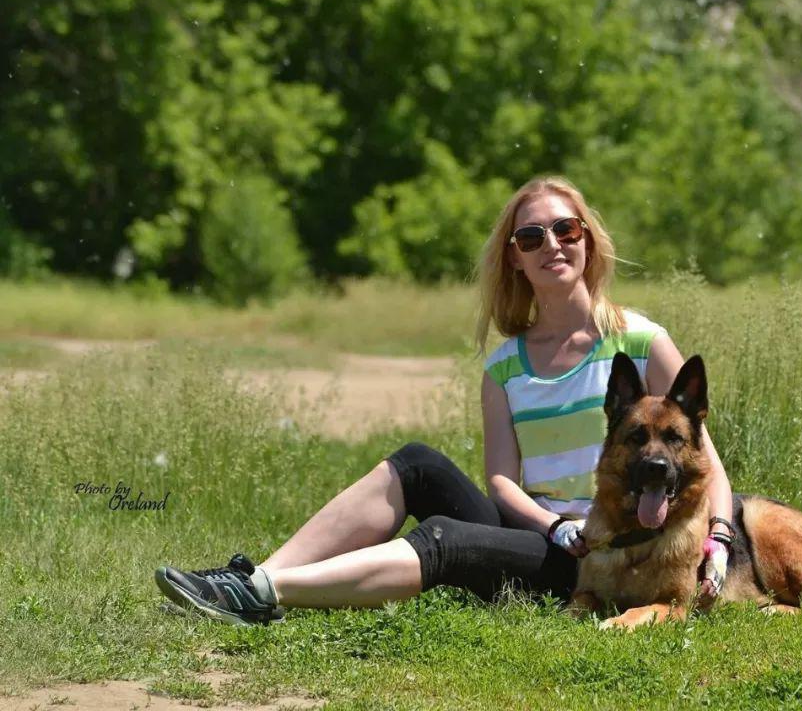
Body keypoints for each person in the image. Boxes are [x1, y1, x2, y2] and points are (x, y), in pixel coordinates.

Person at [155, 176, 735, 626]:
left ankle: (264, 595)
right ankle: (259, 575)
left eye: (567, 230)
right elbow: (501, 483)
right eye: (532, 237)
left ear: (587, 238)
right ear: (514, 257)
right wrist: (554, 524)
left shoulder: (640, 340)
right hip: (548, 534)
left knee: (445, 538)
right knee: (417, 463)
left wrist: (720, 540)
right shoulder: (505, 365)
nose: (551, 245)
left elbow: (705, 460)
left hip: (601, 553)